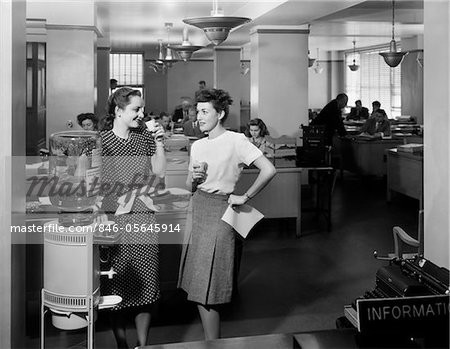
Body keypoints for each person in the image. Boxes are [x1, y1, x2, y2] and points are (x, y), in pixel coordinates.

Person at [178, 88, 276, 340]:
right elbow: (191, 185)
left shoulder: (236, 140)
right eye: (196, 112)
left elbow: (268, 169)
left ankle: (214, 343)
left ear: (220, 113)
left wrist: (245, 196)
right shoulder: (197, 145)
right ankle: (213, 341)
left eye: (204, 112)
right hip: (198, 208)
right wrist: (193, 180)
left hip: (221, 213)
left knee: (208, 289)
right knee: (197, 286)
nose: (197, 117)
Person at [99, 87, 166, 348]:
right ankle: (122, 344)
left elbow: (158, 173)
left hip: (143, 216)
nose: (141, 114)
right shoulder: (102, 141)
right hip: (114, 217)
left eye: (141, 109)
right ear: (118, 110)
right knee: (115, 285)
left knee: (147, 282)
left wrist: (159, 142)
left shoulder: (144, 137)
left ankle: (142, 344)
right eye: (135, 109)